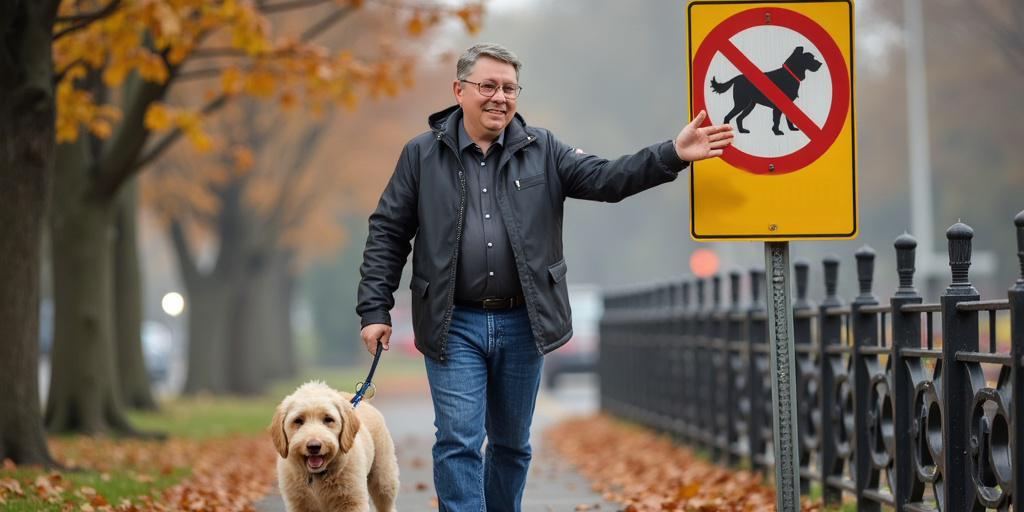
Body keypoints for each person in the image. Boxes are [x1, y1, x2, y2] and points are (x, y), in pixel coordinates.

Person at [356, 43, 732, 511]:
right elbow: (388, 232)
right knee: (458, 441)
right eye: (488, 86)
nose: (499, 97)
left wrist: (672, 154)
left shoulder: (544, 149)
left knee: (512, 445)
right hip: (452, 323)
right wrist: (375, 308)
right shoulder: (420, 155)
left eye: (509, 88)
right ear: (459, 90)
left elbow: (608, 178)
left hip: (523, 322)